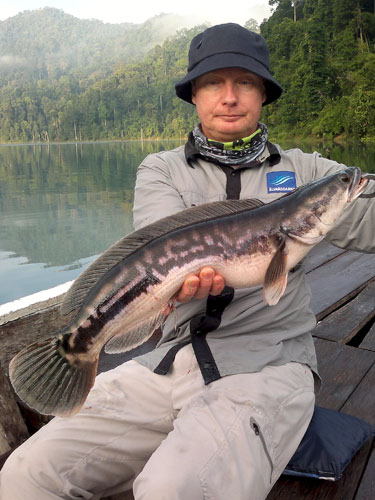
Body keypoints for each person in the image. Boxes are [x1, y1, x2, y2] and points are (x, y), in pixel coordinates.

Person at [1, 23, 374, 500]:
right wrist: (174, 288)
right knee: (26, 473)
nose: (230, 96)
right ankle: (79, 349)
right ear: (195, 95)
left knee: (172, 488)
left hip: (268, 365)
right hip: (170, 360)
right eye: (214, 83)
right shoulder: (161, 170)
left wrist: (342, 194)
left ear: (263, 95)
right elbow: (156, 247)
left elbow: (366, 215)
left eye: (245, 83)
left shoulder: (310, 173)